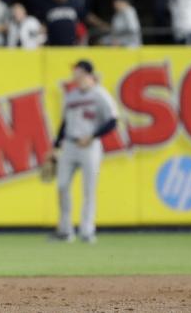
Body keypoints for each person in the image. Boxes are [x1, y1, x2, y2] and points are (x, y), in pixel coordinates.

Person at [49, 60, 118, 244]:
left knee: (89, 190)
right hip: (70, 145)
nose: (75, 75)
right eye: (74, 72)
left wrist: (93, 135)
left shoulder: (100, 94)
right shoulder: (71, 96)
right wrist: (56, 146)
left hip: (90, 146)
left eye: (78, 72)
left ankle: (87, 231)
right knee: (62, 186)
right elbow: (64, 123)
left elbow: (112, 121)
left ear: (88, 74)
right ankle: (65, 231)